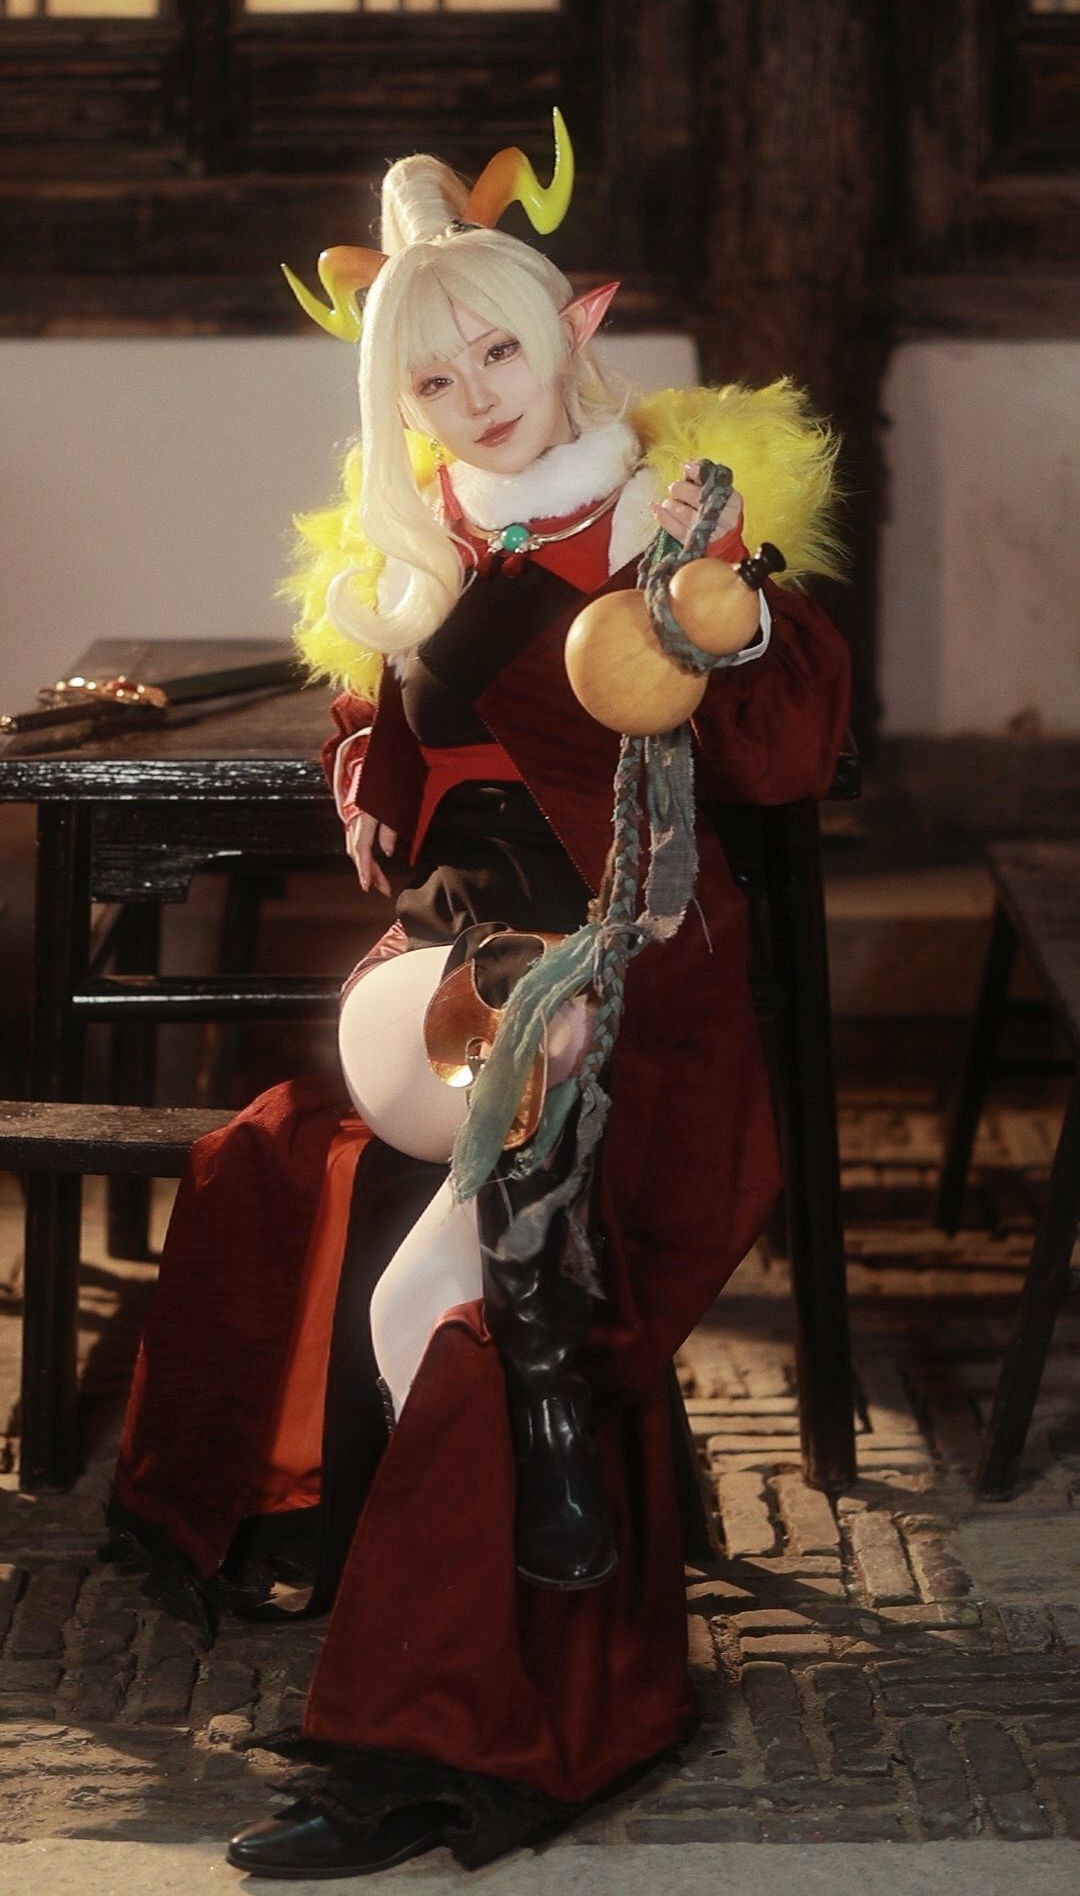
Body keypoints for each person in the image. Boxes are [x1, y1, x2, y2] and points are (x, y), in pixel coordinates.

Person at [108, 117, 850, 1877]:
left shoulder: (680, 514)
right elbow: (389, 734)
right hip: (450, 964)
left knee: (454, 1285)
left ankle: (434, 1731)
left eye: (500, 353)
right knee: (361, 1139)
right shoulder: (417, 542)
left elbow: (788, 756)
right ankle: (403, 1557)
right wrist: (367, 759)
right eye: (431, 382)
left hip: (639, 965)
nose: (475, 400)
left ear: (576, 326)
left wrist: (731, 621)